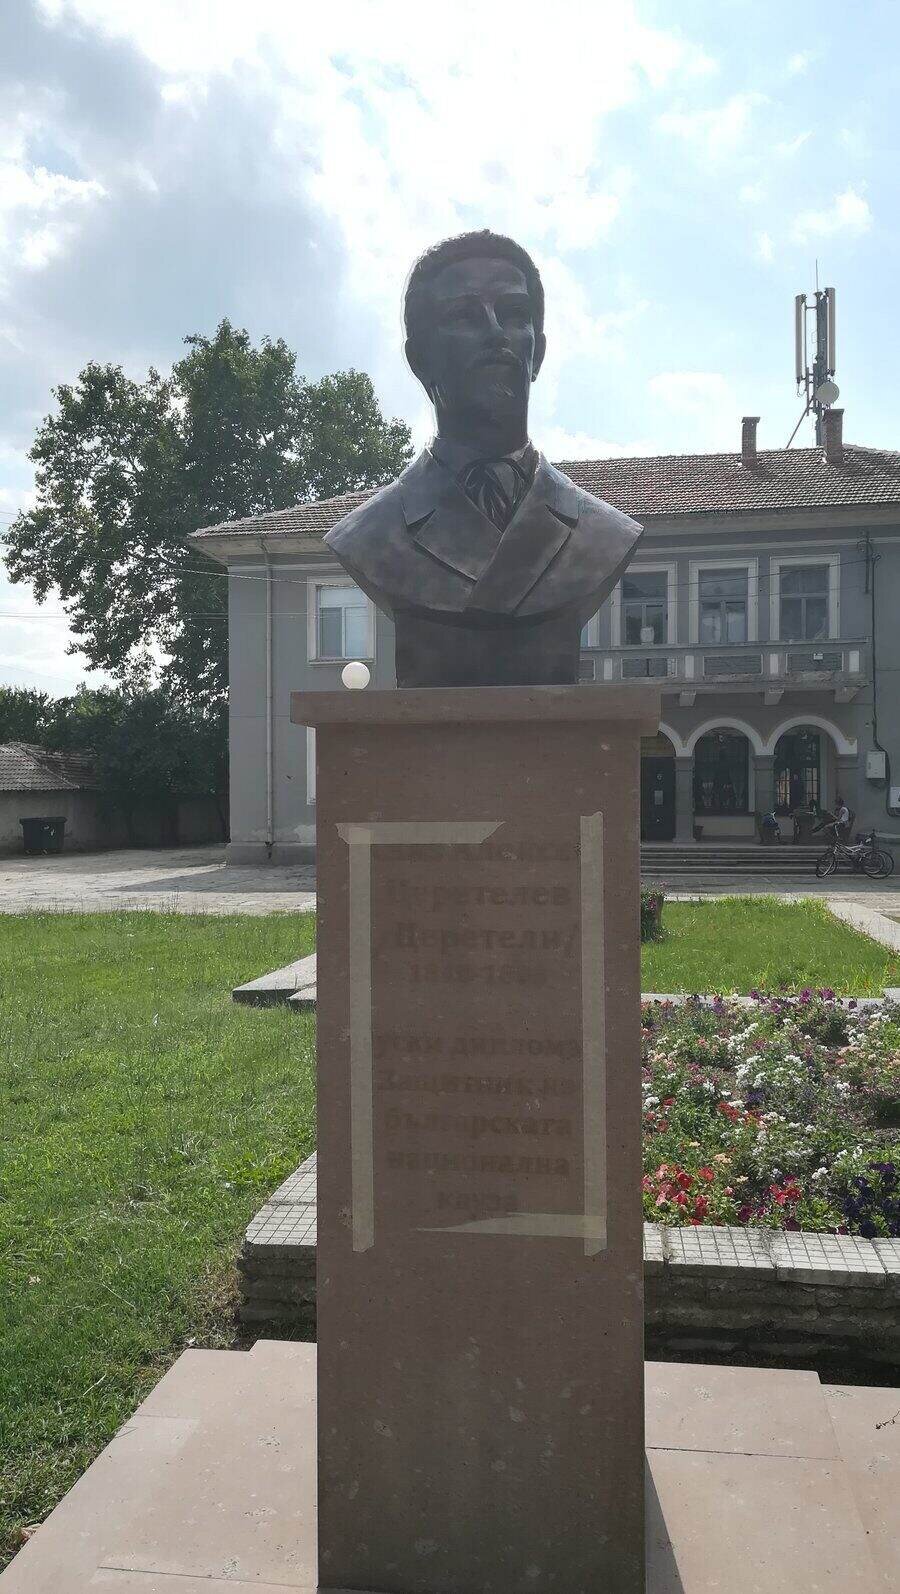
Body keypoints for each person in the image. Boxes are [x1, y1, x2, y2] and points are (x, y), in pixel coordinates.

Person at [325, 230, 642, 687]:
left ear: (538, 353)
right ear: (420, 359)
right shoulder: (370, 535)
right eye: (464, 316)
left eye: (514, 314)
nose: (496, 333)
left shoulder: (605, 534)